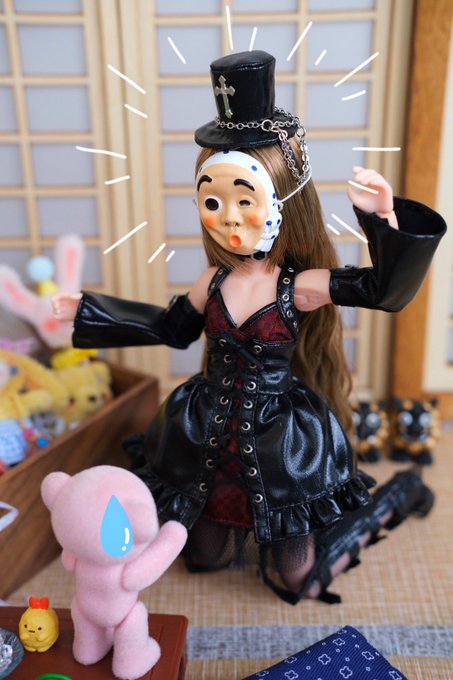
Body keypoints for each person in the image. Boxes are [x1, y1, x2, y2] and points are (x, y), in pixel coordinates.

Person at [52, 51, 446, 603]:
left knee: (297, 578)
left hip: (282, 444)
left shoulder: (298, 286)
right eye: (213, 200)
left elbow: (384, 290)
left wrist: (384, 218)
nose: (230, 217)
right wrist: (90, 310)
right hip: (207, 435)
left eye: (245, 199)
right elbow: (171, 327)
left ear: (282, 200)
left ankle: (395, 498)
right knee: (203, 558)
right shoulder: (211, 281)